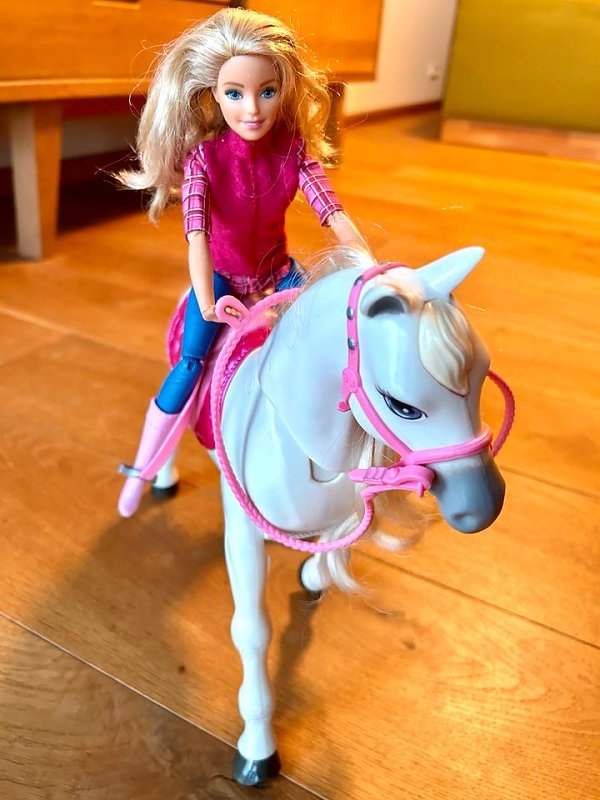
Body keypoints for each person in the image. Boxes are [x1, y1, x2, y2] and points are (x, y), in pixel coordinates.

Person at [117, 7, 371, 517]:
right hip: (221, 279)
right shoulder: (203, 161)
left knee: (340, 337)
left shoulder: (293, 151)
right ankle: (142, 469)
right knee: (190, 364)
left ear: (284, 89)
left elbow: (332, 213)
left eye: (266, 91)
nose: (252, 108)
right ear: (212, 94)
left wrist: (370, 268)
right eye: (235, 93)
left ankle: (356, 448)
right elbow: (197, 235)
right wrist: (208, 302)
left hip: (280, 272)